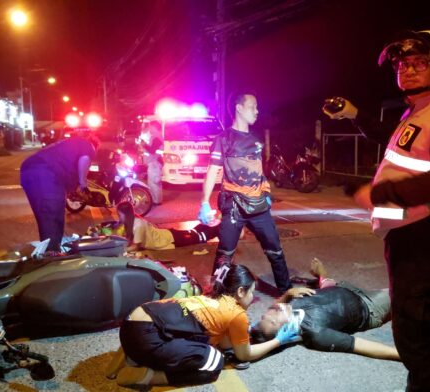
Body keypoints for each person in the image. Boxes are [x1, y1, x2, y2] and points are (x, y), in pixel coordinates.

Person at [323, 30, 430, 391]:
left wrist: (381, 194)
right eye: (402, 65)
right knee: (415, 326)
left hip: (425, 235)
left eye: (420, 63)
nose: (407, 71)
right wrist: (354, 113)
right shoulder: (422, 110)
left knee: (417, 330)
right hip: (409, 233)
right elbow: (392, 137)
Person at [104, 264, 300, 387]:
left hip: (130, 325)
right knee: (213, 362)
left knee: (198, 339)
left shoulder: (211, 298)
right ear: (240, 291)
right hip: (144, 337)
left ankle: (124, 360)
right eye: (251, 293)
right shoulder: (236, 314)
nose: (253, 297)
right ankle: (145, 376)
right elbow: (244, 354)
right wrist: (277, 341)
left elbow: (219, 337)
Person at [199, 91, 292, 294]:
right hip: (233, 206)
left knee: (275, 250)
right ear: (239, 108)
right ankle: (215, 295)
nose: (257, 111)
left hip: (258, 205)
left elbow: (259, 170)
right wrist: (204, 202)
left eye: (257, 107)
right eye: (253, 107)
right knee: (225, 254)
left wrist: (266, 190)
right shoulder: (223, 139)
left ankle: (287, 292)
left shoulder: (257, 139)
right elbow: (212, 170)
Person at [251, 259, 400, 361]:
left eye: (265, 315)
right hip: (369, 306)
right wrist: (403, 356)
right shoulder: (316, 334)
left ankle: (322, 276)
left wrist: (288, 294)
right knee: (406, 292)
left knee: (321, 291)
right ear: (285, 332)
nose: (272, 311)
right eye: (272, 320)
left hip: (337, 290)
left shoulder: (288, 310)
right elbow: (360, 345)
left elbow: (277, 306)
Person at [20, 135, 97, 253]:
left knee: (45, 216)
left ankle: (50, 251)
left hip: (28, 171)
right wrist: (83, 184)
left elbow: (68, 182)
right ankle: (52, 256)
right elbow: (85, 158)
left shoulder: (67, 146)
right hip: (44, 172)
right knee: (52, 217)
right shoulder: (86, 144)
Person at [115, 201, 219, 251]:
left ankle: (220, 227)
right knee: (194, 233)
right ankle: (216, 224)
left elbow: (135, 246)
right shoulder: (133, 221)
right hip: (167, 236)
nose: (118, 217)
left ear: (125, 214)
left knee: (199, 237)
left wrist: (119, 249)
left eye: (119, 215)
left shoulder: (137, 225)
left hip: (169, 240)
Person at [138, 122, 164, 205]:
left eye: (151, 127)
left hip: (155, 163)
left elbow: (152, 150)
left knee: (154, 182)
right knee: (154, 182)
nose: (150, 128)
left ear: (155, 127)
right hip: (154, 162)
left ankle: (155, 201)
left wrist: (144, 144)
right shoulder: (155, 136)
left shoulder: (157, 137)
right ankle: (155, 200)